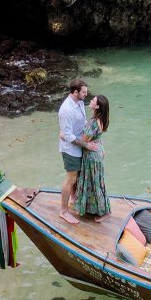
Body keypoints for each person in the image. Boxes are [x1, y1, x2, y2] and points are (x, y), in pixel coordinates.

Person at [75, 95, 110, 221]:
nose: (90, 101)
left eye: (93, 101)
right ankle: (95, 209)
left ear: (97, 106)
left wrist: (67, 137)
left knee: (95, 184)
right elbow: (98, 138)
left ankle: (105, 212)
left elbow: (83, 141)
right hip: (98, 151)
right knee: (98, 182)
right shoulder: (101, 119)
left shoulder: (93, 122)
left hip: (92, 156)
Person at [58, 78, 88, 224]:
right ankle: (63, 211)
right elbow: (67, 135)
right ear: (75, 92)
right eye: (83, 92)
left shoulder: (80, 102)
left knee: (76, 176)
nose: (85, 95)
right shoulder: (66, 110)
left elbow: (83, 122)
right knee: (71, 178)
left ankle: (73, 198)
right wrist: (85, 145)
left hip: (79, 145)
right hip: (70, 149)